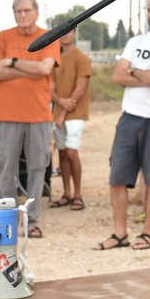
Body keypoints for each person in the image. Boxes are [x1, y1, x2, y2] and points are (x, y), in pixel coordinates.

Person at [95, 0, 150, 252]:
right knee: (117, 175)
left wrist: (135, 71)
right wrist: (145, 75)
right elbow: (118, 75)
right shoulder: (134, 42)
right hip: (129, 116)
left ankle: (148, 232)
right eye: (148, 10)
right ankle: (119, 232)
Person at [0, 0, 60, 238]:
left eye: (27, 10)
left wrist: (14, 62)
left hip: (39, 115)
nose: (22, 15)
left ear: (36, 12)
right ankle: (7, 219)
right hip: (7, 114)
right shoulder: (3, 37)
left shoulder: (47, 36)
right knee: (6, 166)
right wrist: (29, 69)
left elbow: (44, 69)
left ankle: (33, 219)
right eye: (18, 11)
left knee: (38, 167)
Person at [50, 28, 91, 211]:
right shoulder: (54, 59)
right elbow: (49, 87)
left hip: (75, 113)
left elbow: (81, 87)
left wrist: (64, 110)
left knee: (72, 152)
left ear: (74, 33)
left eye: (68, 32)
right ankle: (66, 193)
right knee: (62, 153)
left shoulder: (81, 57)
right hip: (58, 112)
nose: (64, 35)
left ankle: (78, 194)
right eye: (60, 32)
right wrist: (60, 102)